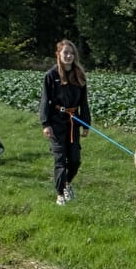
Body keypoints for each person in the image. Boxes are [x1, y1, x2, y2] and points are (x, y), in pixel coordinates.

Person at [40, 39, 90, 206]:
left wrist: (86, 124)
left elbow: (84, 102)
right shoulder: (51, 76)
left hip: (73, 123)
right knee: (60, 159)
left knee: (75, 160)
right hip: (56, 123)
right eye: (65, 53)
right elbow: (45, 101)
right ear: (58, 55)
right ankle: (60, 193)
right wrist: (45, 124)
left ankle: (67, 183)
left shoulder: (79, 76)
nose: (69, 56)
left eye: (71, 53)